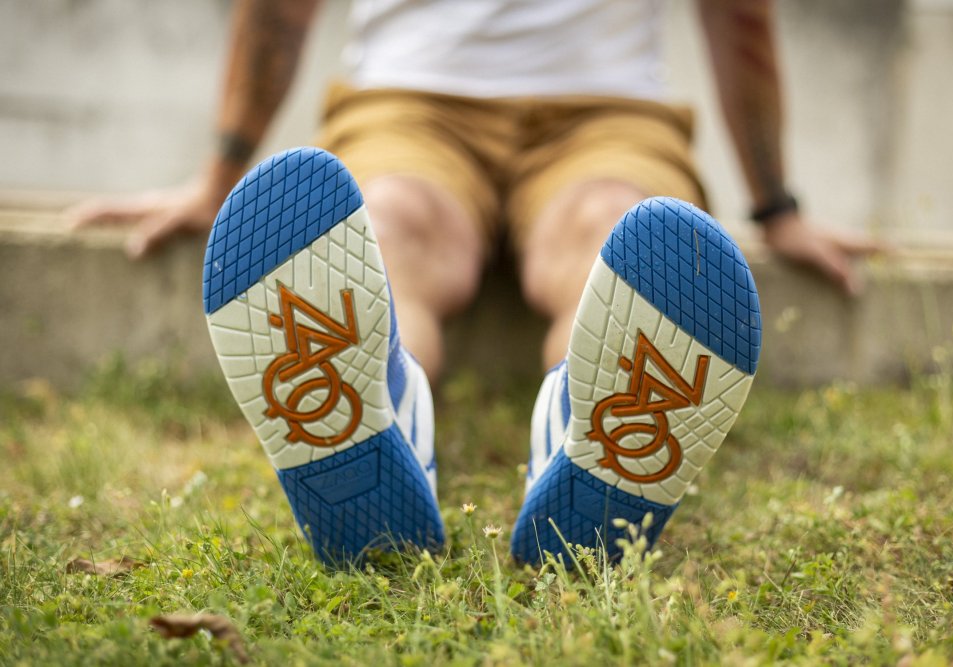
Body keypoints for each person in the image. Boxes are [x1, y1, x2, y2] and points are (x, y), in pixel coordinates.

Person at [70, 0, 879, 564]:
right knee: (560, 232)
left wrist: (222, 171)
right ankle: (554, 429)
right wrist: (773, 203)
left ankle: (416, 420)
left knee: (434, 232)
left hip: (582, 111)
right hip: (430, 103)